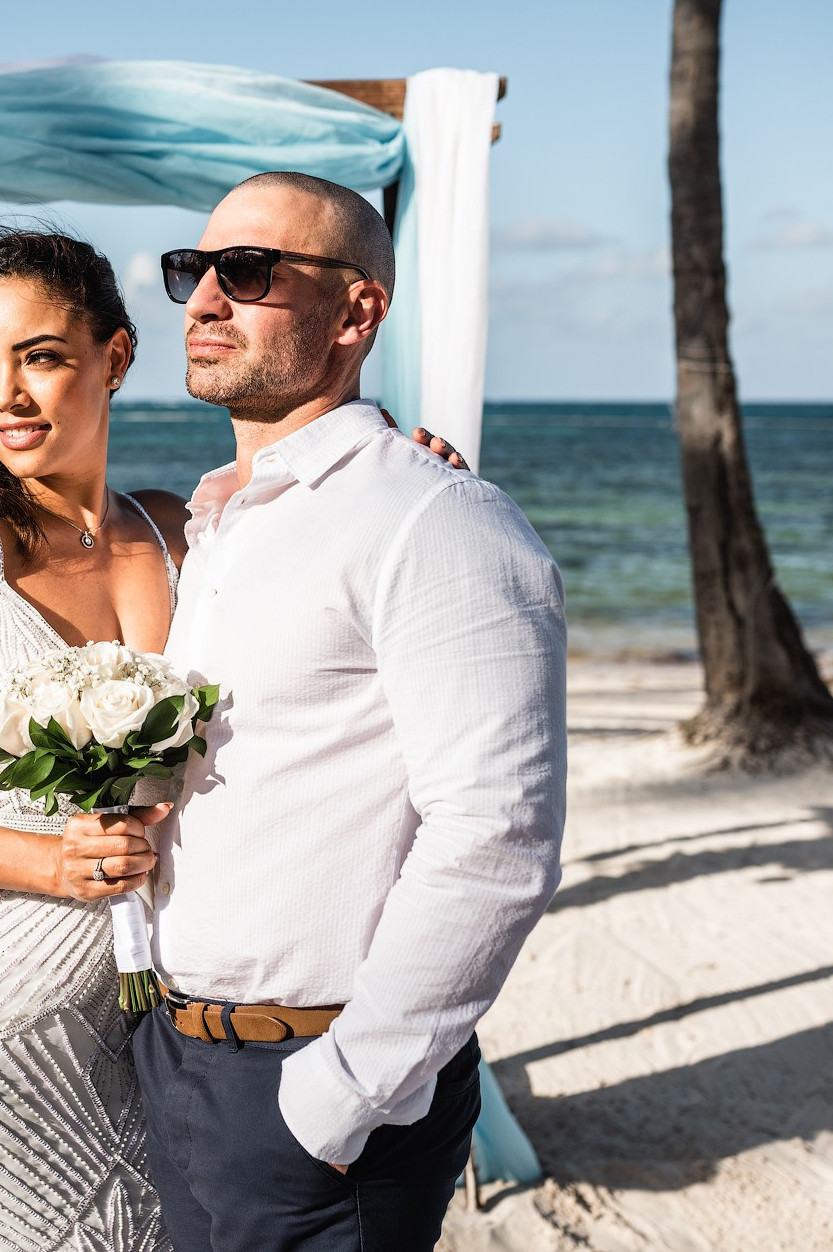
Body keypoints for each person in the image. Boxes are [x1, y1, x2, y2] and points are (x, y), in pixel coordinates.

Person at [0, 226, 469, 1252]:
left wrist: (407, 465)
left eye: (40, 357)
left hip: (146, 1021)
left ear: (116, 357)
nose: (6, 396)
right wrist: (40, 859)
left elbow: (327, 538)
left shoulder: (184, 530)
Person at [129, 173, 567, 1251]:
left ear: (358, 312)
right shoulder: (220, 522)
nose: (203, 302)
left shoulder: (434, 518)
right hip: (177, 1058)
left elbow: (498, 837)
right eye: (194, 272)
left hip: (317, 1091)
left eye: (248, 273)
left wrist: (343, 1093)